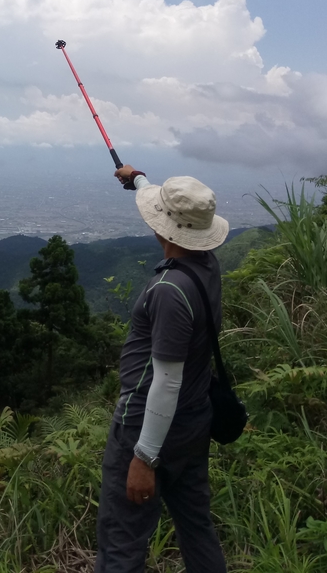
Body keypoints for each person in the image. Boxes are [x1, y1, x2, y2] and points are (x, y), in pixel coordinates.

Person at [93, 164, 229, 573]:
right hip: (193, 421)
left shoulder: (169, 290)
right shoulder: (205, 265)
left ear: (163, 229)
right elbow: (173, 211)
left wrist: (144, 457)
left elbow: (166, 381)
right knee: (196, 527)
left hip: (147, 430)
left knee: (122, 542)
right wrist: (138, 179)